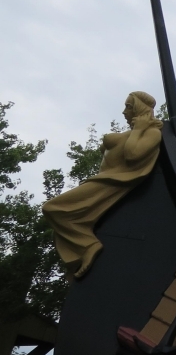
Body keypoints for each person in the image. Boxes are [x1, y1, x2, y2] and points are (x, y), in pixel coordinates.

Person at [42, 91, 163, 279]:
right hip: (101, 179)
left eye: (128, 107)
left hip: (112, 182)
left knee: (53, 208)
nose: (124, 112)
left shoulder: (152, 133)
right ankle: (83, 250)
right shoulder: (131, 133)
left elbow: (133, 156)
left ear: (139, 108)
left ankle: (88, 245)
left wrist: (139, 130)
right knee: (58, 221)